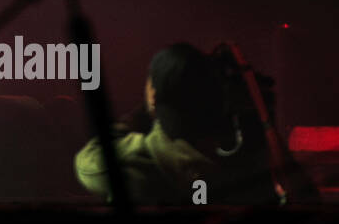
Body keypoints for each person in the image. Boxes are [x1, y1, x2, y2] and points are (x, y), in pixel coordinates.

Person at [74, 42, 310, 205]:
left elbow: (87, 162)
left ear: (155, 97)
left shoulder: (139, 162)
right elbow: (305, 197)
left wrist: (147, 110)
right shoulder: (244, 171)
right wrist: (259, 114)